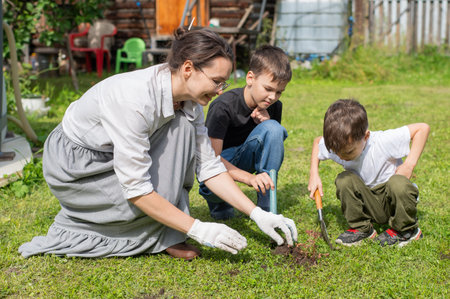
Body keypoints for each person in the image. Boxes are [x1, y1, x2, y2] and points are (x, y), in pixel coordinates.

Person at [19, 28, 298, 260]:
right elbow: (137, 189)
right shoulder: (135, 100)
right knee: (137, 201)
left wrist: (257, 213)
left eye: (223, 84)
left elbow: (209, 167)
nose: (220, 91)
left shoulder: (190, 104)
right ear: (188, 68)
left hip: (108, 153)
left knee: (181, 128)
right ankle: (156, 233)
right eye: (216, 82)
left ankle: (166, 233)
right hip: (77, 165)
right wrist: (199, 229)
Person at [308, 99, 429, 247]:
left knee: (398, 183)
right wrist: (314, 174)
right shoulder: (339, 146)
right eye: (336, 152)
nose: (340, 157)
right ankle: (362, 229)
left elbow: (422, 128)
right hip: (368, 201)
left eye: (348, 152)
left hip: (392, 200)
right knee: (344, 179)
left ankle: (406, 231)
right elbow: (317, 142)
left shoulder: (383, 141)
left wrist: (409, 165)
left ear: (366, 136)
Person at [199, 45, 292, 220]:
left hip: (244, 160)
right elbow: (210, 159)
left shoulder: (274, 107)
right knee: (224, 215)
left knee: (274, 129)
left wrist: (268, 123)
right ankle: (219, 202)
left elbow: (271, 151)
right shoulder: (223, 106)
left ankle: (267, 209)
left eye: (279, 92)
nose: (273, 97)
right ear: (250, 78)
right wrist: (249, 178)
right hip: (215, 172)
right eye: (268, 89)